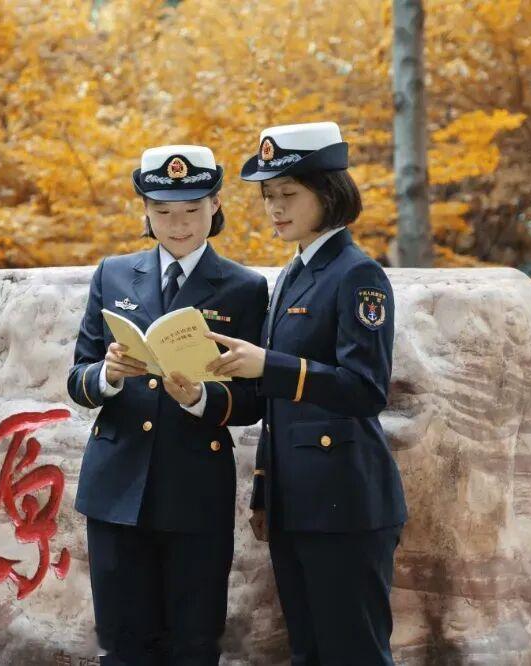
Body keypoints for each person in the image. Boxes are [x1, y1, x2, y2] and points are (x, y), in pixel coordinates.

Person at [205, 122, 408, 665]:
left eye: (288, 194)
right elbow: (278, 413)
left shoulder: (358, 274)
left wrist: (268, 364)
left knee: (354, 654)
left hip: (345, 504)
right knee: (309, 654)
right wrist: (265, 493)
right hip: (297, 504)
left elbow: (365, 389)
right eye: (268, 196)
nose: (274, 207)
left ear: (328, 192)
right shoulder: (295, 273)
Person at [66, 144, 269, 666]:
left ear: (215, 205)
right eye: (162, 211)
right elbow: (78, 378)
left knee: (193, 643)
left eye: (192, 210)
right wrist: (108, 375)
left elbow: (253, 399)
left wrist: (202, 398)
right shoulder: (113, 273)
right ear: (145, 210)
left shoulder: (245, 288)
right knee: (122, 645)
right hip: (116, 485)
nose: (178, 225)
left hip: (194, 487)